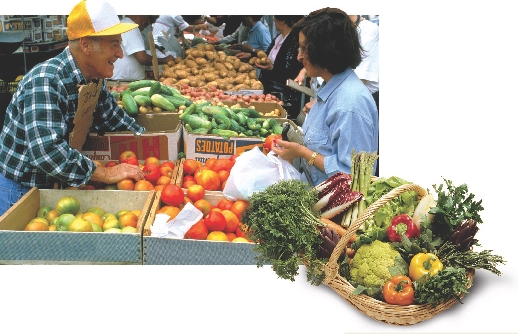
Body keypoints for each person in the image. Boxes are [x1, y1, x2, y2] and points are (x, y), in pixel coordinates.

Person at [0, 0, 146, 216]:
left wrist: (154, 143)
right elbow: (46, 153)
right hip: (23, 191)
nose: (120, 54)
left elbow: (112, 118)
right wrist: (107, 174)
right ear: (86, 45)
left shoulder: (92, 78)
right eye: (114, 44)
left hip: (59, 185)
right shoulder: (46, 80)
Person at [271, 8, 379, 186]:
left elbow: (353, 176)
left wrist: (302, 152)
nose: (299, 56)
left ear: (326, 50)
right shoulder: (330, 89)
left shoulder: (350, 104)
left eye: (304, 48)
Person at [253, 15, 305, 120]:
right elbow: (268, 56)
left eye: (275, 19)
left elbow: (292, 71)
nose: (274, 21)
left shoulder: (294, 41)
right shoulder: (279, 37)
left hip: (282, 93)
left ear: (283, 21)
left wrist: (272, 68)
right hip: (270, 89)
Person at [112, 15, 174, 81]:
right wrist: (165, 60)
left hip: (123, 80)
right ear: (141, 16)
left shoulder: (125, 24)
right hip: (121, 82)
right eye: (147, 18)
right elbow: (142, 58)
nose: (147, 23)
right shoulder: (130, 26)